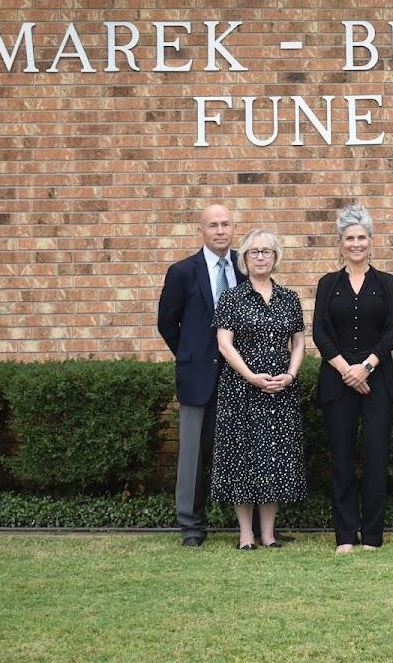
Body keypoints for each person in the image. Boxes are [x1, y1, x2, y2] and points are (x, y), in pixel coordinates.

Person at [312, 204, 393, 554]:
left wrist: (366, 367)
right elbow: (320, 331)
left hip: (376, 378)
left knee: (377, 457)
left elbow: (392, 330)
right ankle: (345, 535)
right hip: (337, 380)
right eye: (349, 237)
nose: (356, 243)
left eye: (362, 237)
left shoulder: (387, 283)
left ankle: (373, 536)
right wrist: (345, 369)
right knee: (342, 459)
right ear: (340, 243)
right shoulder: (327, 284)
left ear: (371, 241)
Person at [212, 229, 307, 550]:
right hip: (241, 390)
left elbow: (298, 342)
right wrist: (251, 376)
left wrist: (291, 375)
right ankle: (245, 534)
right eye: (254, 252)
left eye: (266, 252)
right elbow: (224, 344)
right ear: (244, 259)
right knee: (243, 458)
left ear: (276, 257)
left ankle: (268, 533)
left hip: (280, 390)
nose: (261, 257)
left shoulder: (289, 298)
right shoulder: (232, 298)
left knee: (274, 458)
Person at [157, 203, 245, 547]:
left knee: (246, 447)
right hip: (198, 375)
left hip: (241, 373)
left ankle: (251, 524)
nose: (220, 230)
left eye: (225, 224)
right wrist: (190, 355)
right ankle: (191, 525)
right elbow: (168, 322)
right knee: (193, 454)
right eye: (213, 225)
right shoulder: (182, 272)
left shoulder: (246, 264)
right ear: (201, 231)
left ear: (233, 228)